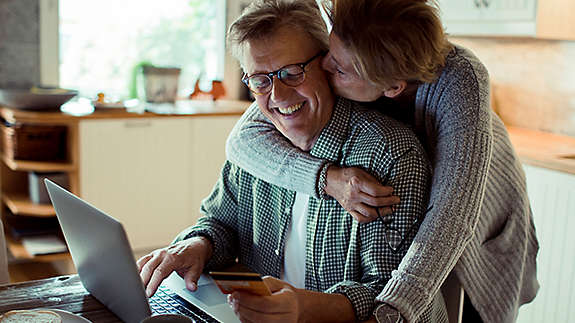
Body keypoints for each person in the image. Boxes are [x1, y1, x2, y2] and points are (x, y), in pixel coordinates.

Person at [226, 0, 539, 322]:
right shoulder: (352, 55)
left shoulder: (459, 81)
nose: (324, 66)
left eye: (340, 68)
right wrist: (327, 178)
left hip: (481, 227)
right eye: (328, 54)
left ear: (393, 87)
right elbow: (241, 140)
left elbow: (452, 217)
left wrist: (390, 313)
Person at [138, 1, 448, 322]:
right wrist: (198, 245)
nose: (278, 96)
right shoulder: (256, 143)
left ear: (328, 65)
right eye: (260, 80)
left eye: (291, 73)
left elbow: (390, 297)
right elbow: (220, 221)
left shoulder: (389, 154)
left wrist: (303, 308)